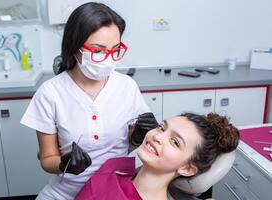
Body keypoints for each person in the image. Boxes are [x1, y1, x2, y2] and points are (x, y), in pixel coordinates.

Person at [20, 2, 157, 199]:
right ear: (75, 47)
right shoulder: (50, 93)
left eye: (115, 49)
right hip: (65, 193)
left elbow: (129, 144)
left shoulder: (126, 86)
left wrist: (139, 135)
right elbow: (47, 158)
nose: (109, 59)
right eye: (98, 50)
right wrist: (64, 164)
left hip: (114, 188)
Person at [75, 112, 240, 200]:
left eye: (175, 142)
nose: (157, 136)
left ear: (187, 168)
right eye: (162, 127)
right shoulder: (116, 170)